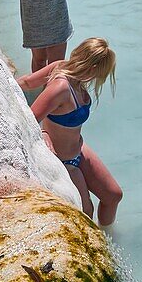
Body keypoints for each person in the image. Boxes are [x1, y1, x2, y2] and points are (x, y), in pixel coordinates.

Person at [16, 38, 121, 225]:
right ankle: (99, 245)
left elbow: (28, 82)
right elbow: (29, 118)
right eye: (100, 73)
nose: (99, 79)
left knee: (113, 195)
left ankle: (109, 236)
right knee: (86, 212)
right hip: (65, 161)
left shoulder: (66, 70)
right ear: (92, 66)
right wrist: (43, 133)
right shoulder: (60, 87)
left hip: (79, 149)